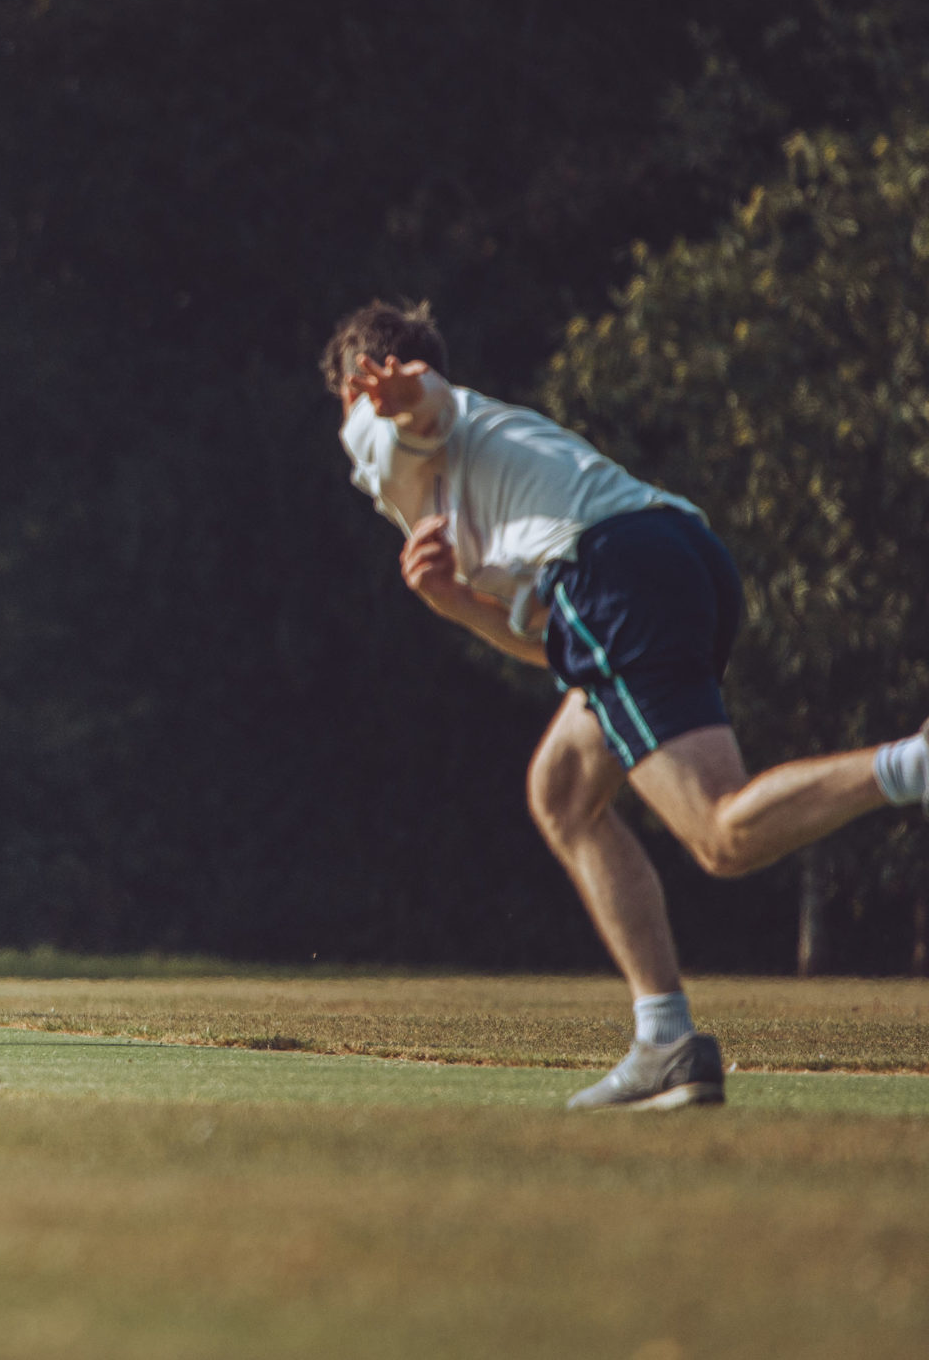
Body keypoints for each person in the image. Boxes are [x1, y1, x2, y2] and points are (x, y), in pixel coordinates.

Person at [325, 299, 929, 1109]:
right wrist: (457, 604)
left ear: (357, 390)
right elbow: (564, 646)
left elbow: (425, 408)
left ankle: (913, 763)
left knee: (720, 834)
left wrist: (404, 394)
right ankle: (665, 1040)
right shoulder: (479, 472)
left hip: (618, 570)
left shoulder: (393, 423)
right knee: (563, 793)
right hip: (678, 557)